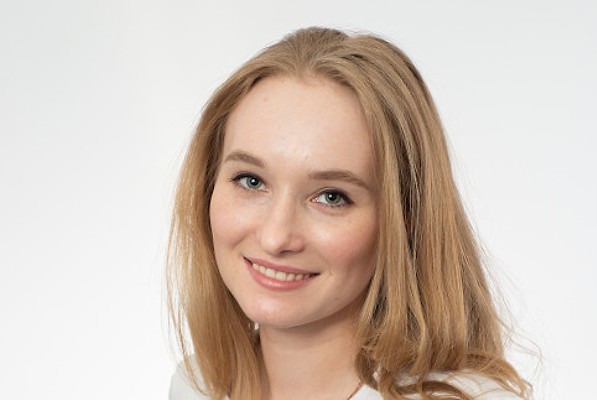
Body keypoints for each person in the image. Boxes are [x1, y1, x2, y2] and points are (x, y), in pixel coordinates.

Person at [166, 27, 531, 400]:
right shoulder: (196, 386)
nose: (275, 237)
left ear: (405, 218)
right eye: (251, 181)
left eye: (331, 197)